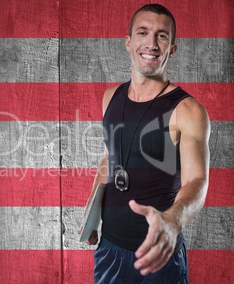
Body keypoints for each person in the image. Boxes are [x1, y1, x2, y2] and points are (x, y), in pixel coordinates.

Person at [81, 4, 210, 283]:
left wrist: (173, 221)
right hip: (110, 249)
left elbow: (197, 180)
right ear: (129, 43)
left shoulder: (187, 110)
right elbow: (109, 159)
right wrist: (92, 216)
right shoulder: (110, 97)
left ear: (172, 49)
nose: (151, 44)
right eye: (143, 32)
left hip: (159, 252)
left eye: (162, 36)